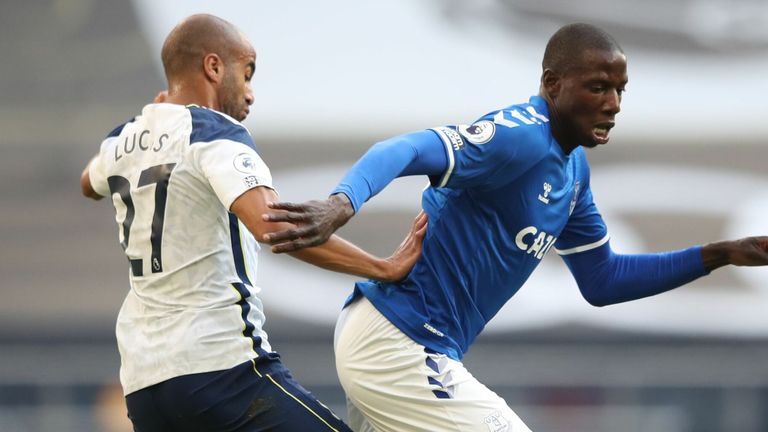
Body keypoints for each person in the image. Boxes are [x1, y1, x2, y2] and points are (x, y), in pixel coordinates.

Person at [261, 23, 768, 431]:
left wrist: (719, 253)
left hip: (405, 343)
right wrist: (340, 203)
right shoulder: (521, 136)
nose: (613, 103)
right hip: (399, 340)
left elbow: (603, 281)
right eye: (597, 87)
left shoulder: (572, 173)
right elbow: (404, 149)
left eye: (619, 89)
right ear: (552, 84)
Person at [79, 14, 426, 432]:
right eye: (246, 74)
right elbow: (275, 227)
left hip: (144, 386)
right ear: (213, 67)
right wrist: (383, 267)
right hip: (221, 371)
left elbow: (88, 182)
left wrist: (159, 116)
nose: (250, 93)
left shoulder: (122, 140)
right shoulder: (212, 132)